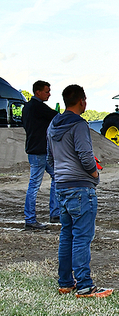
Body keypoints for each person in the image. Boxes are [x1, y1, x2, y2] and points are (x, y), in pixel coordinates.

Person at [47, 84, 113, 298]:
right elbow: (85, 156)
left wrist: (59, 177)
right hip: (80, 188)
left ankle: (65, 282)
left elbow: (50, 159)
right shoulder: (79, 125)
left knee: (67, 235)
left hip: (62, 188)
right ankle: (85, 285)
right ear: (82, 101)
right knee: (82, 237)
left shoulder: (52, 126)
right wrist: (94, 174)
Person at [23, 80, 60, 230]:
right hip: (40, 152)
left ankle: (54, 213)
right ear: (38, 92)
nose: (49, 94)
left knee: (55, 178)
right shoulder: (39, 107)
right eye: (47, 91)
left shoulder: (27, 108)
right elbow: (56, 116)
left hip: (35, 150)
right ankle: (31, 219)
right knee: (35, 185)